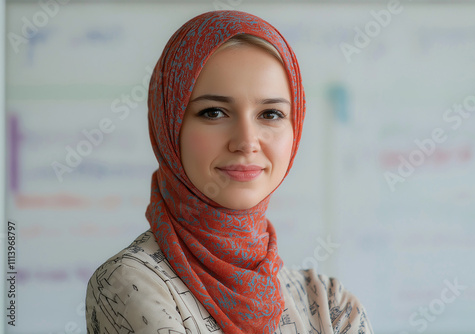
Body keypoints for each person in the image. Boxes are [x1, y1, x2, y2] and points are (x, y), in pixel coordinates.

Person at [85, 10, 373, 334]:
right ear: (169, 124)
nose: (247, 142)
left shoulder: (328, 301)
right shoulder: (129, 283)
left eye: (271, 113)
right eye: (214, 112)